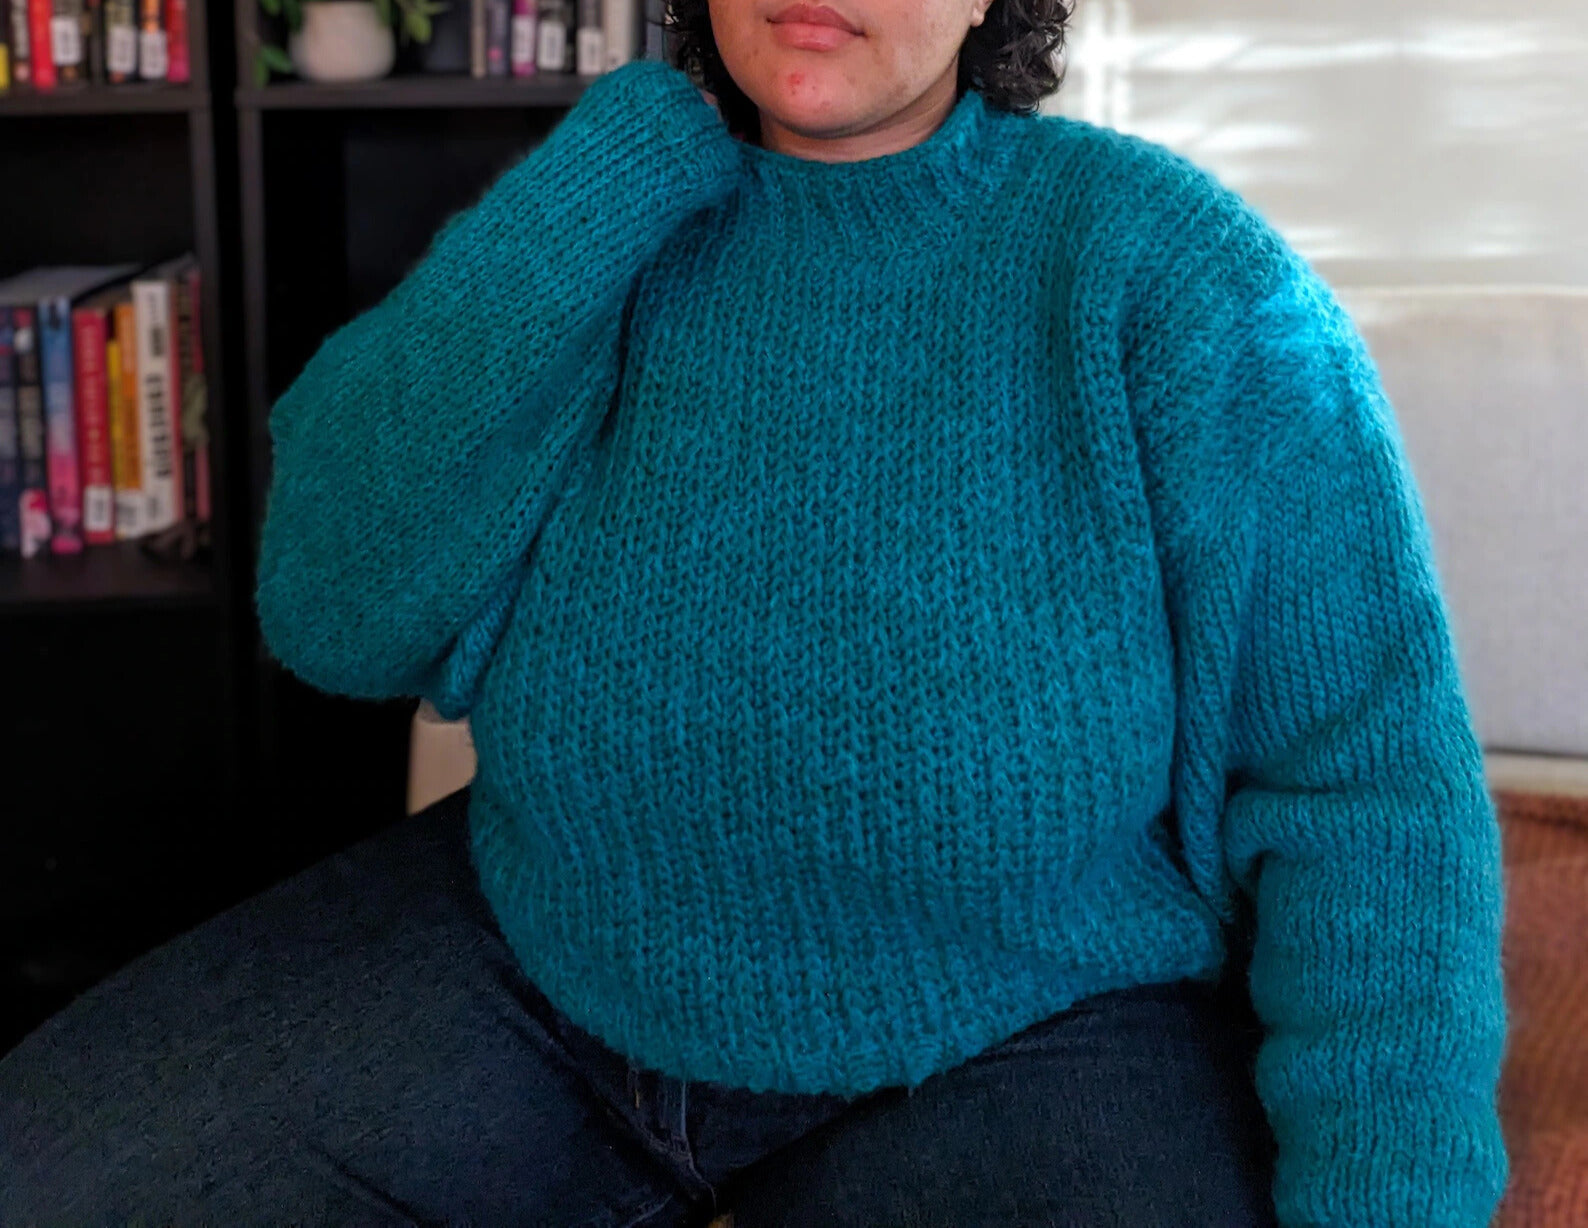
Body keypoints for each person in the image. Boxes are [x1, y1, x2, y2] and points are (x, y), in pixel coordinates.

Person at [0, 0, 1509, 1224]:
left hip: (1023, 1023)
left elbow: (1362, 788)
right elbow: (330, 610)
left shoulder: (1167, 273)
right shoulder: (614, 218)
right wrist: (620, 165)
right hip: (551, 956)